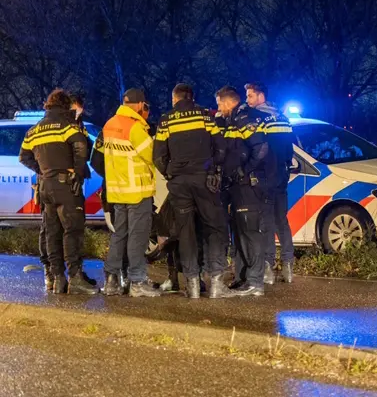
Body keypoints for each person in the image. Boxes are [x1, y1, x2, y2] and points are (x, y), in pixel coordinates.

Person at [153, 83, 239, 299]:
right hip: (204, 180)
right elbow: (220, 146)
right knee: (214, 227)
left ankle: (192, 284)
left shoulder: (166, 120)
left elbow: (158, 156)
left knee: (186, 232)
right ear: (192, 97)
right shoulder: (205, 116)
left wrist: (170, 172)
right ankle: (217, 283)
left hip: (179, 184)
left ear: (175, 99)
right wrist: (214, 167)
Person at [19, 89, 97, 295]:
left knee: (52, 233)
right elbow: (82, 145)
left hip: (46, 186)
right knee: (72, 231)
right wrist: (78, 171)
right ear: (64, 106)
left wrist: (43, 170)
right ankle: (75, 277)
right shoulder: (67, 126)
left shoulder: (34, 130)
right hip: (67, 186)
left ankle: (58, 279)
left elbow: (23, 157)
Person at [91, 89, 159, 297]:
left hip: (117, 192)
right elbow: (153, 156)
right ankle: (137, 281)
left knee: (119, 235)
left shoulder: (109, 124)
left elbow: (98, 159)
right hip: (137, 192)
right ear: (139, 105)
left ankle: (111, 280)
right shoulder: (135, 127)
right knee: (137, 238)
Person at [216, 85, 268, 296]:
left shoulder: (243, 118)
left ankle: (256, 281)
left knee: (250, 233)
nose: (218, 107)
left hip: (247, 186)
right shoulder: (230, 119)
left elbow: (261, 148)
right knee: (239, 234)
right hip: (235, 187)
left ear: (229, 102)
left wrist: (245, 171)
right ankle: (243, 278)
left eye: (220, 103)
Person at [245, 82, 295, 284]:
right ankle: (288, 267)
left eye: (250, 96)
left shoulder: (258, 118)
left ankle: (268, 268)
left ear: (260, 96)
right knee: (281, 220)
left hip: (265, 175)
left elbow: (257, 148)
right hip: (282, 173)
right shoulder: (283, 117)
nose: (247, 100)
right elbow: (290, 148)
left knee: (266, 222)